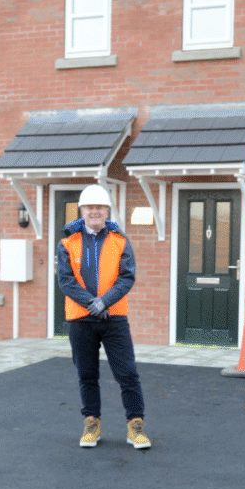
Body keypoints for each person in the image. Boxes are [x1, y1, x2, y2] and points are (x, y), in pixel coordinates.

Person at [57, 184, 150, 450]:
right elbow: (66, 281)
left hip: (115, 317)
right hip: (80, 319)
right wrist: (92, 303)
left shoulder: (120, 240)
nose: (95, 211)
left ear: (107, 211)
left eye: (100, 207)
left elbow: (127, 277)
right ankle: (91, 424)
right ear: (82, 211)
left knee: (128, 374)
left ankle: (136, 427)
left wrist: (105, 302)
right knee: (87, 375)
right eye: (90, 207)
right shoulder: (67, 242)